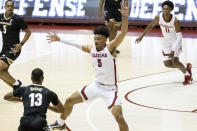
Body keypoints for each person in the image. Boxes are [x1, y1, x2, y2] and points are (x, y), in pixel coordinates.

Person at [46, 2, 129, 131]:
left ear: (105, 40)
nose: (96, 41)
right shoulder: (92, 50)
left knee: (120, 119)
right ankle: (60, 123)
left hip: (110, 90)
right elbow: (75, 44)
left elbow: (123, 32)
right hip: (96, 85)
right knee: (69, 101)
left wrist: (125, 17)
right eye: (95, 39)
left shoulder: (110, 49)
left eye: (99, 39)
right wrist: (60, 39)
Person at [135, 0, 193, 85]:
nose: (165, 11)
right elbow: (150, 26)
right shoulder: (159, 17)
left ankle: (188, 76)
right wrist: (141, 36)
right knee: (167, 64)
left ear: (171, 10)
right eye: (164, 9)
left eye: (167, 9)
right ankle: (186, 67)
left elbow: (179, 36)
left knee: (175, 61)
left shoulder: (175, 21)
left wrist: (173, 50)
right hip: (166, 41)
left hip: (175, 41)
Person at [0, 0, 31, 90]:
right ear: (5, 7)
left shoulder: (18, 19)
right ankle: (17, 91)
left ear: (14, 7)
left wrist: (21, 44)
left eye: (11, 6)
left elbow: (28, 32)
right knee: (3, 71)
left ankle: (20, 87)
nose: (10, 8)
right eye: (8, 6)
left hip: (14, 48)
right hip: (4, 48)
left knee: (0, 69)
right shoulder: (0, 17)